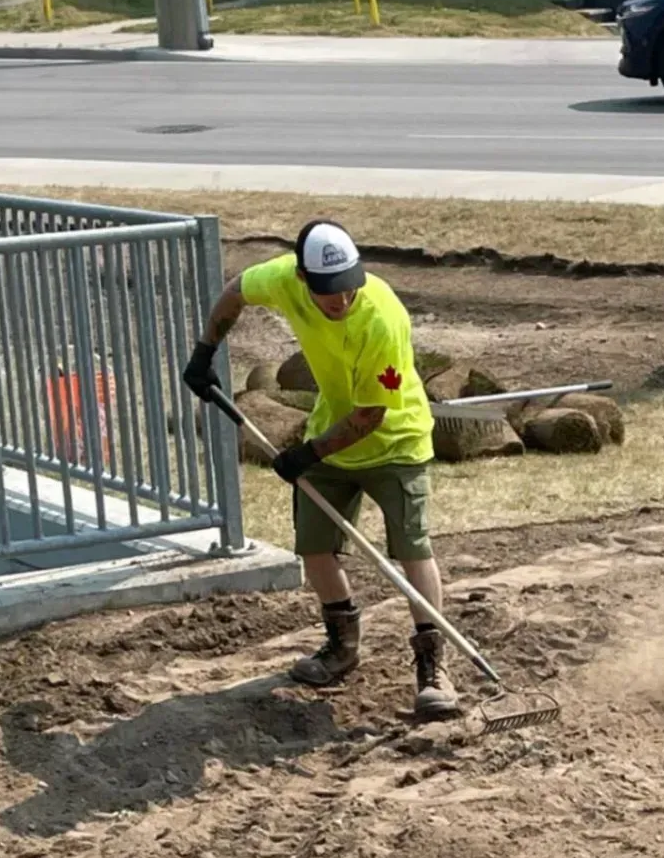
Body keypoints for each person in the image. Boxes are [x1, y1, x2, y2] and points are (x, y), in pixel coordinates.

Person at [183, 220, 460, 721]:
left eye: (349, 284)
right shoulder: (283, 279)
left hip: (396, 442)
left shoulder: (382, 318)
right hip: (333, 435)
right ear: (303, 278)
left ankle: (433, 669)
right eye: (330, 290)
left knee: (412, 551)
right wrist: (206, 350)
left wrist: (308, 454)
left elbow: (370, 417)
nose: (342, 298)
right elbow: (234, 292)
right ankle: (341, 647)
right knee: (314, 549)